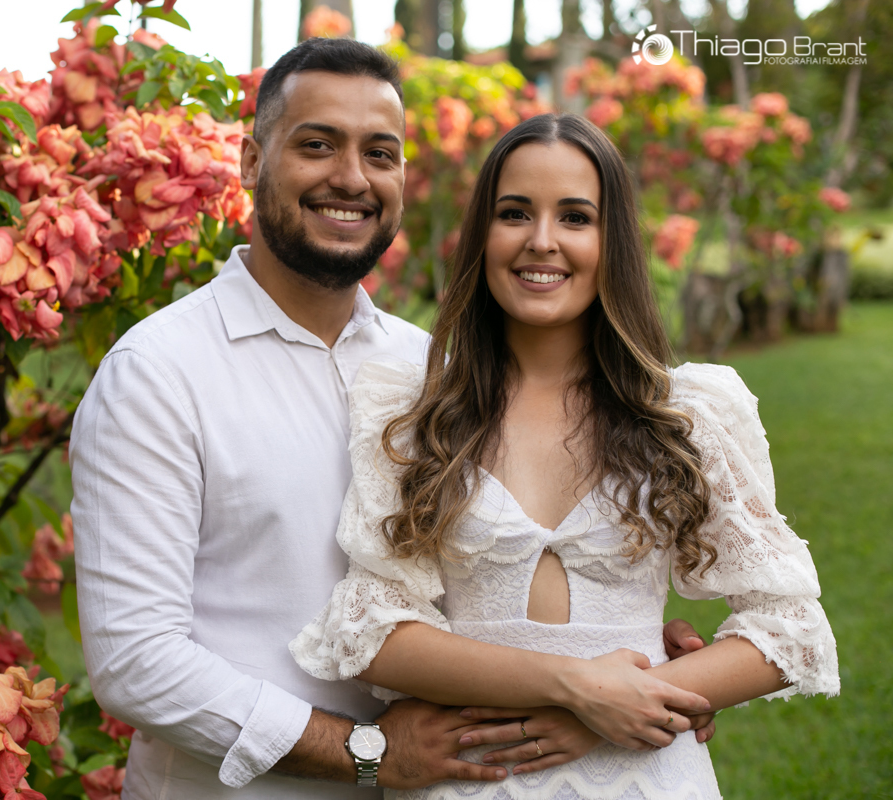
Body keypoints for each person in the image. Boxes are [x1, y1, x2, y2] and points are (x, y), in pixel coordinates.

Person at [72, 39, 714, 800]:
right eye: (317, 145)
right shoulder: (160, 372)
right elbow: (136, 662)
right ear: (250, 161)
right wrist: (365, 752)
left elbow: (484, 574)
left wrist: (627, 651)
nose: (351, 177)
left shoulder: (433, 373)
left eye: (379, 153)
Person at [291, 112, 840, 799]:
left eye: (575, 217)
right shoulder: (415, 413)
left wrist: (624, 706)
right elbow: (372, 630)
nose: (542, 241)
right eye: (514, 213)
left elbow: (791, 629)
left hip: (646, 774)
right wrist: (576, 689)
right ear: (483, 235)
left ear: (614, 243)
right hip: (469, 779)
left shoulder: (685, 415)